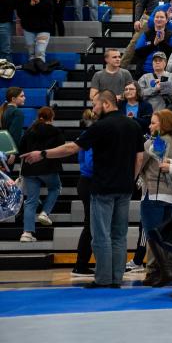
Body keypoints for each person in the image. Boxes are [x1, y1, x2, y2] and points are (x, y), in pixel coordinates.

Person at [24, 91, 143, 288]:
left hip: (103, 187)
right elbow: (139, 157)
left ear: (105, 104)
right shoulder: (134, 125)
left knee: (101, 234)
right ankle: (116, 277)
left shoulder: (100, 127)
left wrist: (43, 153)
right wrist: (131, 179)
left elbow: (71, 148)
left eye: (95, 105)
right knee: (119, 235)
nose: (93, 109)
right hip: (125, 187)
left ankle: (104, 279)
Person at [137, 109, 172, 286]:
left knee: (153, 236)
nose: (150, 125)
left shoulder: (153, 143)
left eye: (154, 122)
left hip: (154, 194)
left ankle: (156, 272)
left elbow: (139, 164)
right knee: (170, 236)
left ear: (164, 124)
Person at [14, 107, 63, 243]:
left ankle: (26, 233)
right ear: (51, 118)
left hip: (29, 169)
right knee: (55, 188)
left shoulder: (29, 131)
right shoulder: (55, 131)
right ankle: (45, 213)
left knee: (30, 200)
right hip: (49, 168)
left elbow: (21, 149)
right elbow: (61, 149)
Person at [17, 0, 54, 64]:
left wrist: (38, 5)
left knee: (40, 52)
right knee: (31, 53)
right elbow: (21, 14)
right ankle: (33, 72)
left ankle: (40, 72)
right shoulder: (23, 0)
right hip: (28, 29)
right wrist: (30, 5)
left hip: (44, 29)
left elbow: (49, 12)